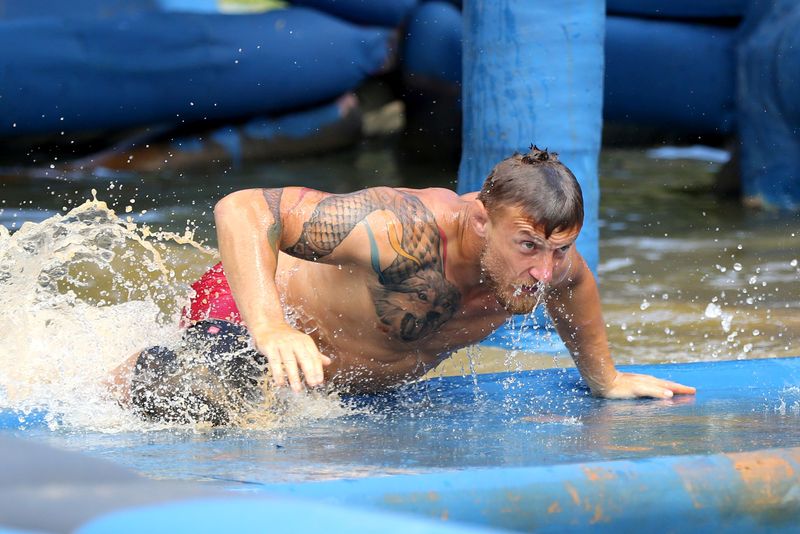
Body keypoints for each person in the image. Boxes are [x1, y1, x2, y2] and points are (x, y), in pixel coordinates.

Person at [114, 146, 695, 425]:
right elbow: (243, 209)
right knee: (213, 389)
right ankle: (102, 380)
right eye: (527, 247)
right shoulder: (400, 228)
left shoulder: (548, 261)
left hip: (339, 383)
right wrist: (270, 326)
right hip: (249, 309)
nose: (544, 271)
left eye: (558, 249)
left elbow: (575, 288)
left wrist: (605, 377)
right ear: (479, 220)